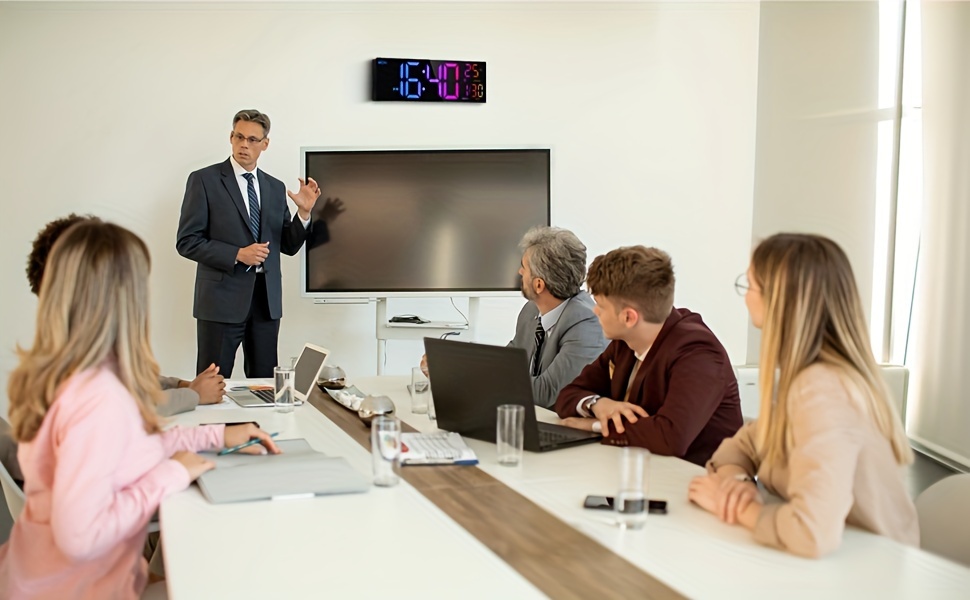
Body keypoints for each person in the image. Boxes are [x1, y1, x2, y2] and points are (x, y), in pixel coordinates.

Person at [0, 220, 280, 598]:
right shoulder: (97, 397)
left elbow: (135, 445)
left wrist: (215, 436)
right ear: (121, 300)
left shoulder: (78, 376)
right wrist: (173, 473)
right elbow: (80, 538)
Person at [687, 233, 918, 558]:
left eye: (749, 284)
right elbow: (739, 449)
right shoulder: (806, 378)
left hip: (870, 574)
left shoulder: (823, 388)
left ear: (778, 298)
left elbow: (811, 533)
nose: (745, 296)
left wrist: (736, 509)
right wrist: (737, 483)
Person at [555, 246, 742, 466]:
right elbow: (568, 396)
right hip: (641, 472)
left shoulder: (698, 352)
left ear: (629, 317)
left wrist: (595, 426)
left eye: (601, 306)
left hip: (698, 485)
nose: (595, 312)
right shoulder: (624, 341)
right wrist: (598, 404)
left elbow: (670, 437)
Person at [27, 213, 224, 415]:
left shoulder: (80, 348)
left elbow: (127, 381)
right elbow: (129, 408)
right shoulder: (72, 370)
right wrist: (194, 395)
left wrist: (180, 385)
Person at [177, 109, 322, 378]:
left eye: (253, 140)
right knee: (213, 385)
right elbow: (187, 241)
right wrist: (237, 254)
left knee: (265, 385)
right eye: (239, 137)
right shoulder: (204, 180)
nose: (244, 144)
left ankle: (259, 424)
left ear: (265, 144)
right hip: (220, 304)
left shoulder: (274, 187)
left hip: (265, 304)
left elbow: (288, 246)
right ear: (231, 137)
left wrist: (303, 214)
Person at [420, 226, 607, 408]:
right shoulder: (531, 311)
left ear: (538, 285)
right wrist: (451, 368)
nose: (520, 272)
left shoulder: (587, 324)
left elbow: (547, 393)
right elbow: (507, 366)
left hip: (568, 428)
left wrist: (466, 374)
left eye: (523, 267)